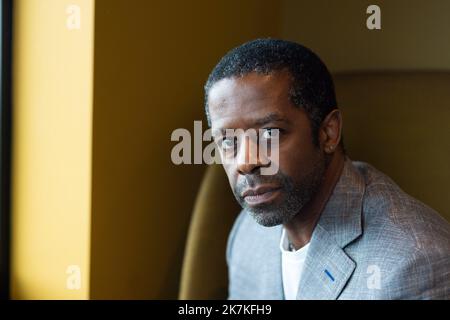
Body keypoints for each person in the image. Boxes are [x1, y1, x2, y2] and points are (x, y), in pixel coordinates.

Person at [203, 38, 450, 299]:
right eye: (229, 141)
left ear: (328, 133)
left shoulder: (413, 263)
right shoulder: (248, 232)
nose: (246, 162)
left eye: (270, 134)